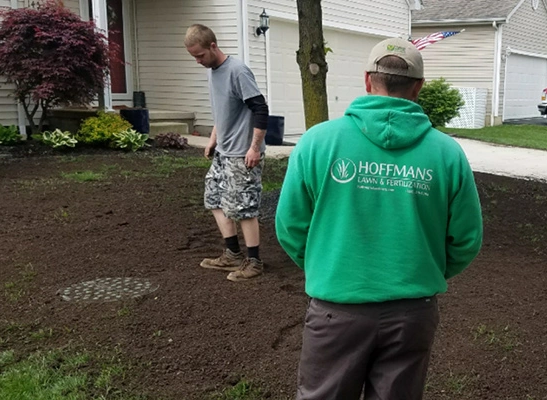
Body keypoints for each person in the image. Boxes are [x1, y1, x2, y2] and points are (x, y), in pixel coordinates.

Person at [275, 38, 484, 399]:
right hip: (412, 314)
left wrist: (326, 264)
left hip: (336, 308)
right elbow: (466, 238)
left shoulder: (317, 142)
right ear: (418, 87)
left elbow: (290, 226)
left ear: (368, 80)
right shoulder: (447, 154)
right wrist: (421, 268)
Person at [185, 24, 269, 282]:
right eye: (194, 57)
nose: (198, 61)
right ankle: (232, 253)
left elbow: (260, 110)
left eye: (200, 55)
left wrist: (254, 148)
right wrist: (213, 139)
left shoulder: (237, 71)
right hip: (223, 150)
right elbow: (224, 110)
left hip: (242, 154)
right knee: (214, 198)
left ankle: (254, 261)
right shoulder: (213, 71)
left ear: (213, 46)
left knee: (244, 207)